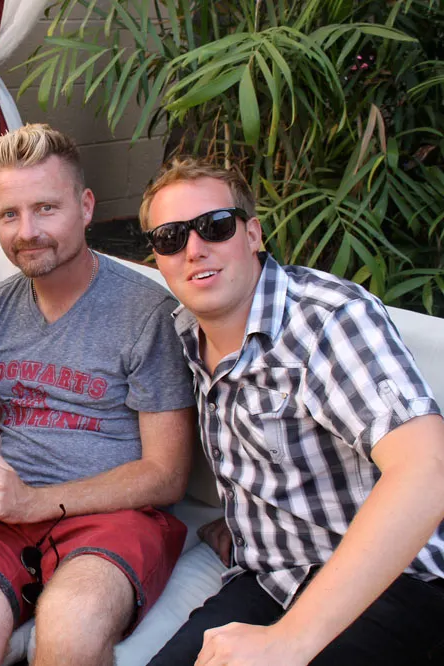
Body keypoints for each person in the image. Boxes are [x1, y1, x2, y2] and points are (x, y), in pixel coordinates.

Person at [0, 123, 198, 666]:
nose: (28, 232)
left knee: (70, 632)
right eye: (9, 214)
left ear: (85, 207)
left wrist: (35, 502)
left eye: (46, 208)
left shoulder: (146, 314)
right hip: (3, 519)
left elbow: (167, 475)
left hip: (114, 516)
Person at [142, 158, 444, 665]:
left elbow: (427, 469)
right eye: (171, 237)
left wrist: (289, 641)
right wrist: (244, 522)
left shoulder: (328, 322)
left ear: (253, 234)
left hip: (396, 583)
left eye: (215, 226)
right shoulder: (183, 333)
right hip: (271, 578)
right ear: (157, 257)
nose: (194, 249)